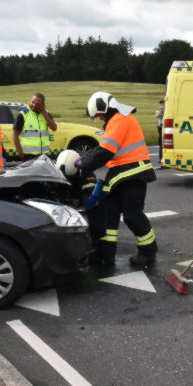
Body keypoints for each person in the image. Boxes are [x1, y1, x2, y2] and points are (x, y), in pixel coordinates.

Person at [75, 92, 157, 267]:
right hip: (121, 176)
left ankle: (148, 252)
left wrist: (83, 162)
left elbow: (105, 151)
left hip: (134, 174)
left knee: (132, 216)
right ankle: (105, 255)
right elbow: (105, 151)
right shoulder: (114, 121)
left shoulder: (121, 119)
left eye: (99, 114)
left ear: (104, 107)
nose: (98, 118)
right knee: (109, 216)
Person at [12, 93, 57, 160]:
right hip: (28, 156)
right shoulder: (23, 114)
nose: (34, 105)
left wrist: (43, 112)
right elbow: (15, 135)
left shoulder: (46, 114)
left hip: (43, 155)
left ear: (42, 105)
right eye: (32, 102)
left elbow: (54, 128)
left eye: (37, 104)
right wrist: (20, 152)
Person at [155, 100, 165, 166]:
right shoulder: (158, 111)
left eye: (163, 105)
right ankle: (160, 158)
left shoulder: (167, 111)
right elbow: (156, 116)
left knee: (163, 143)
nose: (162, 106)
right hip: (160, 127)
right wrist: (161, 110)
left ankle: (163, 157)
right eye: (161, 105)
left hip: (165, 127)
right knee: (160, 143)